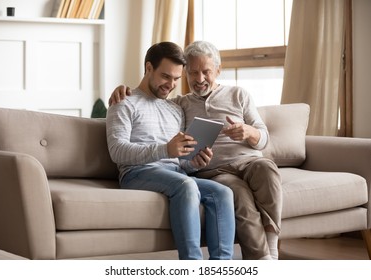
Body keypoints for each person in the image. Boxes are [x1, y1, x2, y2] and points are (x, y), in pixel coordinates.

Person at [109, 40, 283, 260]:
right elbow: (117, 151)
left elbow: (179, 160)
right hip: (139, 172)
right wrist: (166, 150)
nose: (170, 84)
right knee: (187, 184)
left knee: (223, 192)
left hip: (178, 172)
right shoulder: (125, 102)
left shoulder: (175, 108)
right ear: (148, 68)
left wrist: (194, 163)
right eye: (165, 76)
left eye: (175, 79)